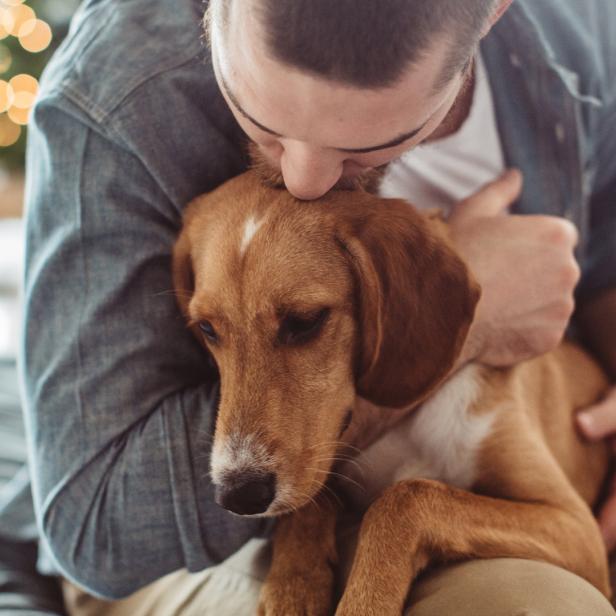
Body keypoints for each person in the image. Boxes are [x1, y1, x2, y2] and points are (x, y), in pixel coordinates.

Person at [13, 0, 616, 613]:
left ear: (491, 15)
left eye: (367, 148)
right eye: (261, 121)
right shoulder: (112, 94)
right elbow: (93, 530)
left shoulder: (582, 28)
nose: (304, 181)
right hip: (187, 551)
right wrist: (475, 318)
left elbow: (608, 262)